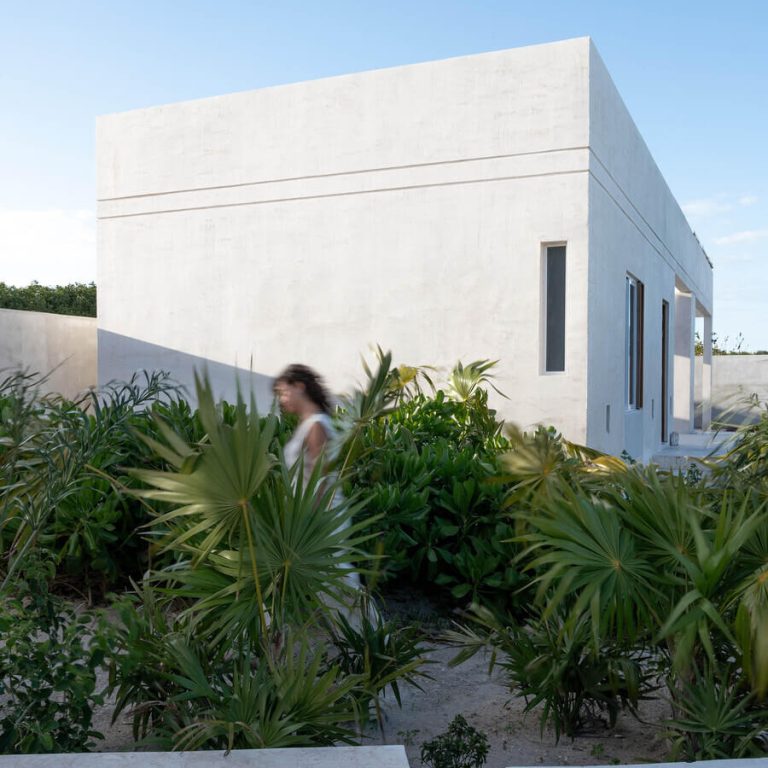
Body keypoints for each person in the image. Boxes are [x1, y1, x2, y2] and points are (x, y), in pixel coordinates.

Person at [273, 363, 337, 488]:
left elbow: (320, 481)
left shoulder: (316, 425)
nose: (282, 400)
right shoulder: (307, 424)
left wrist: (311, 508)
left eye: (284, 393)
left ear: (299, 387)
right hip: (303, 506)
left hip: (318, 507)